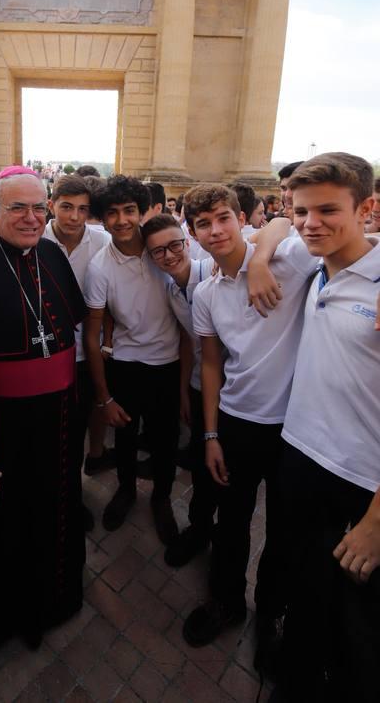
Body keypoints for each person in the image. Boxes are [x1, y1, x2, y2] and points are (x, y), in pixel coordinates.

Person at [180, 184, 316, 670]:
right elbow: (211, 363)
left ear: (241, 219)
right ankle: (227, 601)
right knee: (231, 519)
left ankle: (272, 611)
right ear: (192, 231)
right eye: (202, 224)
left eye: (222, 218)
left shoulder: (288, 263)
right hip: (236, 423)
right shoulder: (207, 292)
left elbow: (297, 228)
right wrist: (211, 435)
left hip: (294, 427)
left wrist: (260, 258)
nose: (215, 231)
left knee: (283, 529)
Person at [0, 166, 87, 649]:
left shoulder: (51, 252)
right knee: (8, 516)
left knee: (57, 503)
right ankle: (6, 613)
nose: (32, 218)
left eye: (39, 207)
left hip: (62, 415)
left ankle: (55, 598)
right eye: (17, 208)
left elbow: (69, 323)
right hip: (4, 422)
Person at [273, 153, 380, 703]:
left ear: (367, 208)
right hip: (299, 454)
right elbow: (271, 231)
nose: (309, 223)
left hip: (359, 480)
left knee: (353, 626)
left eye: (328, 210)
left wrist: (377, 520)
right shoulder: (312, 260)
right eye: (300, 211)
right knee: (303, 585)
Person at [84, 175, 193, 547]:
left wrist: (182, 387)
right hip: (126, 365)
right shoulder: (100, 267)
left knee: (164, 441)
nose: (121, 220)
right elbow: (92, 333)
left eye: (129, 210)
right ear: (102, 217)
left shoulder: (163, 248)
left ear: (141, 210)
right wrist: (104, 398)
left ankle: (161, 498)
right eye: (111, 213)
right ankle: (126, 491)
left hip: (167, 364)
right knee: (126, 439)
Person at [141, 214, 218, 567]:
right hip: (204, 385)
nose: (169, 255)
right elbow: (189, 342)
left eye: (175, 245)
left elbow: (273, 236)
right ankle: (200, 529)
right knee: (204, 465)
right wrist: (186, 391)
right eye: (158, 251)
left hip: (240, 389)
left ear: (188, 241)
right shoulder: (172, 289)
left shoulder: (214, 272)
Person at [43, 173, 112, 527]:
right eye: (66, 207)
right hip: (45, 357)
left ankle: (73, 496)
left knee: (79, 429)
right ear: (51, 204)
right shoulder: (35, 237)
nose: (73, 216)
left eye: (83, 209)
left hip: (86, 355)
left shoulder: (102, 241)